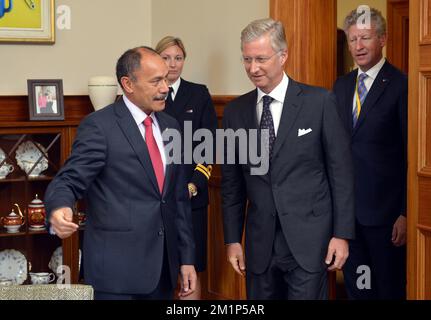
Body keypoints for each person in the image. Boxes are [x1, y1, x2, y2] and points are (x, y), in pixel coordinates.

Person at [44, 46, 197, 300]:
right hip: (116, 276)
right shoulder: (99, 126)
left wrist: (186, 259)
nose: (165, 88)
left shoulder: (172, 126)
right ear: (128, 84)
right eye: (156, 81)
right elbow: (69, 180)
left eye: (166, 79)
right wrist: (60, 207)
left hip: (163, 272)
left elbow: (177, 200)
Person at [221, 18, 355, 300]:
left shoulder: (319, 102)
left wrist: (341, 235)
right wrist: (232, 239)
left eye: (261, 59)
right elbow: (232, 184)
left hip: (309, 242)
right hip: (259, 247)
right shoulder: (235, 112)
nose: (253, 68)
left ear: (283, 56)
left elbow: (340, 173)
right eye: (246, 59)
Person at [333, 8, 407, 300]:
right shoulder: (340, 86)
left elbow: (410, 154)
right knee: (358, 288)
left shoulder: (402, 85)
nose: (358, 46)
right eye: (353, 39)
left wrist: (405, 212)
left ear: (383, 39)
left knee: (387, 289)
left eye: (365, 38)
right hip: (348, 217)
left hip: (386, 218)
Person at [155, 36, 217, 300]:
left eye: (178, 58)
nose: (173, 64)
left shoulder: (198, 93)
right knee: (159, 268)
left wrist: (194, 185)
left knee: (190, 269)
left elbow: (210, 146)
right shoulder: (149, 94)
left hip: (191, 195)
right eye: (166, 58)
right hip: (156, 198)